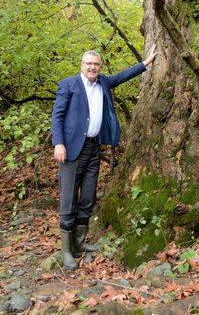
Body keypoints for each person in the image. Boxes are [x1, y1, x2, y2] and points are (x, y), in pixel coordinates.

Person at [51, 46, 157, 270]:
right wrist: (58, 143)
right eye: (88, 63)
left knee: (88, 197)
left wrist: (145, 63)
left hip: (93, 148)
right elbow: (57, 115)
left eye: (96, 64)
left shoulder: (103, 82)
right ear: (82, 65)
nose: (92, 67)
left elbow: (121, 76)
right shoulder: (69, 84)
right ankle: (66, 251)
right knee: (69, 199)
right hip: (70, 150)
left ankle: (79, 244)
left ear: (99, 67)